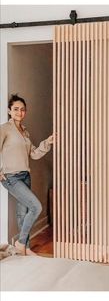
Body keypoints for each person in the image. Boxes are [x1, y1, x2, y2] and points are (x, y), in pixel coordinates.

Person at [0, 94, 54, 256]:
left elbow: (34, 154)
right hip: (10, 177)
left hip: (25, 175)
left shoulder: (25, 133)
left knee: (22, 212)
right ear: (10, 111)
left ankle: (26, 248)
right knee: (36, 206)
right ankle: (21, 242)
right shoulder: (4, 129)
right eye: (16, 109)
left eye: (22, 110)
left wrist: (47, 143)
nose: (19, 112)